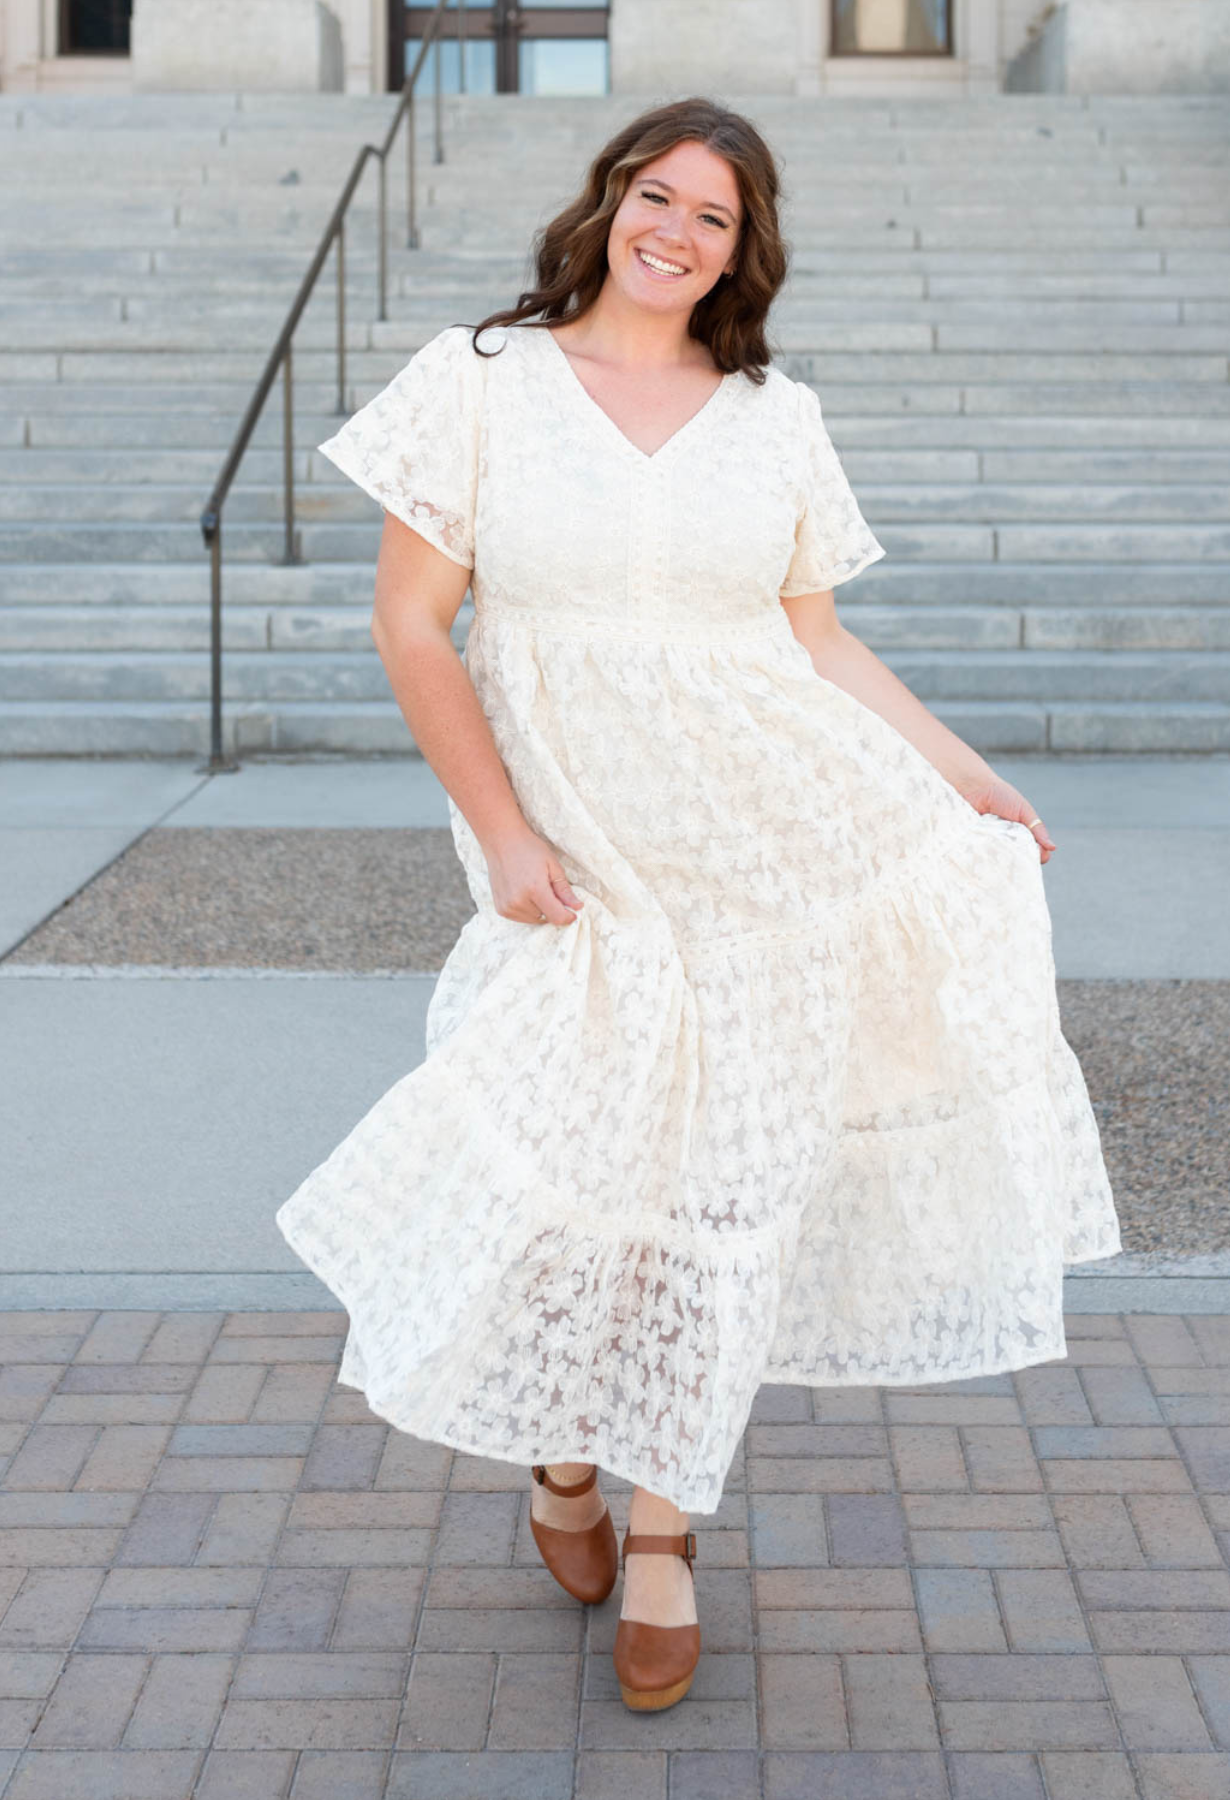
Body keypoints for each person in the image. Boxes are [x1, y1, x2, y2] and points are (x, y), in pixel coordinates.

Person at [275, 94, 1122, 1715]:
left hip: (772, 858)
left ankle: (660, 1530)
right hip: (587, 862)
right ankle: (566, 1463)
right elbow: (409, 626)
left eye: (712, 216)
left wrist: (963, 778)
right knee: (564, 1178)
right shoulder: (478, 384)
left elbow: (814, 645)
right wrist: (505, 836)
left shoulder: (771, 413)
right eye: (655, 195)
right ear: (605, 204)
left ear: (745, 251)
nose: (675, 230)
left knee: (721, 1200)